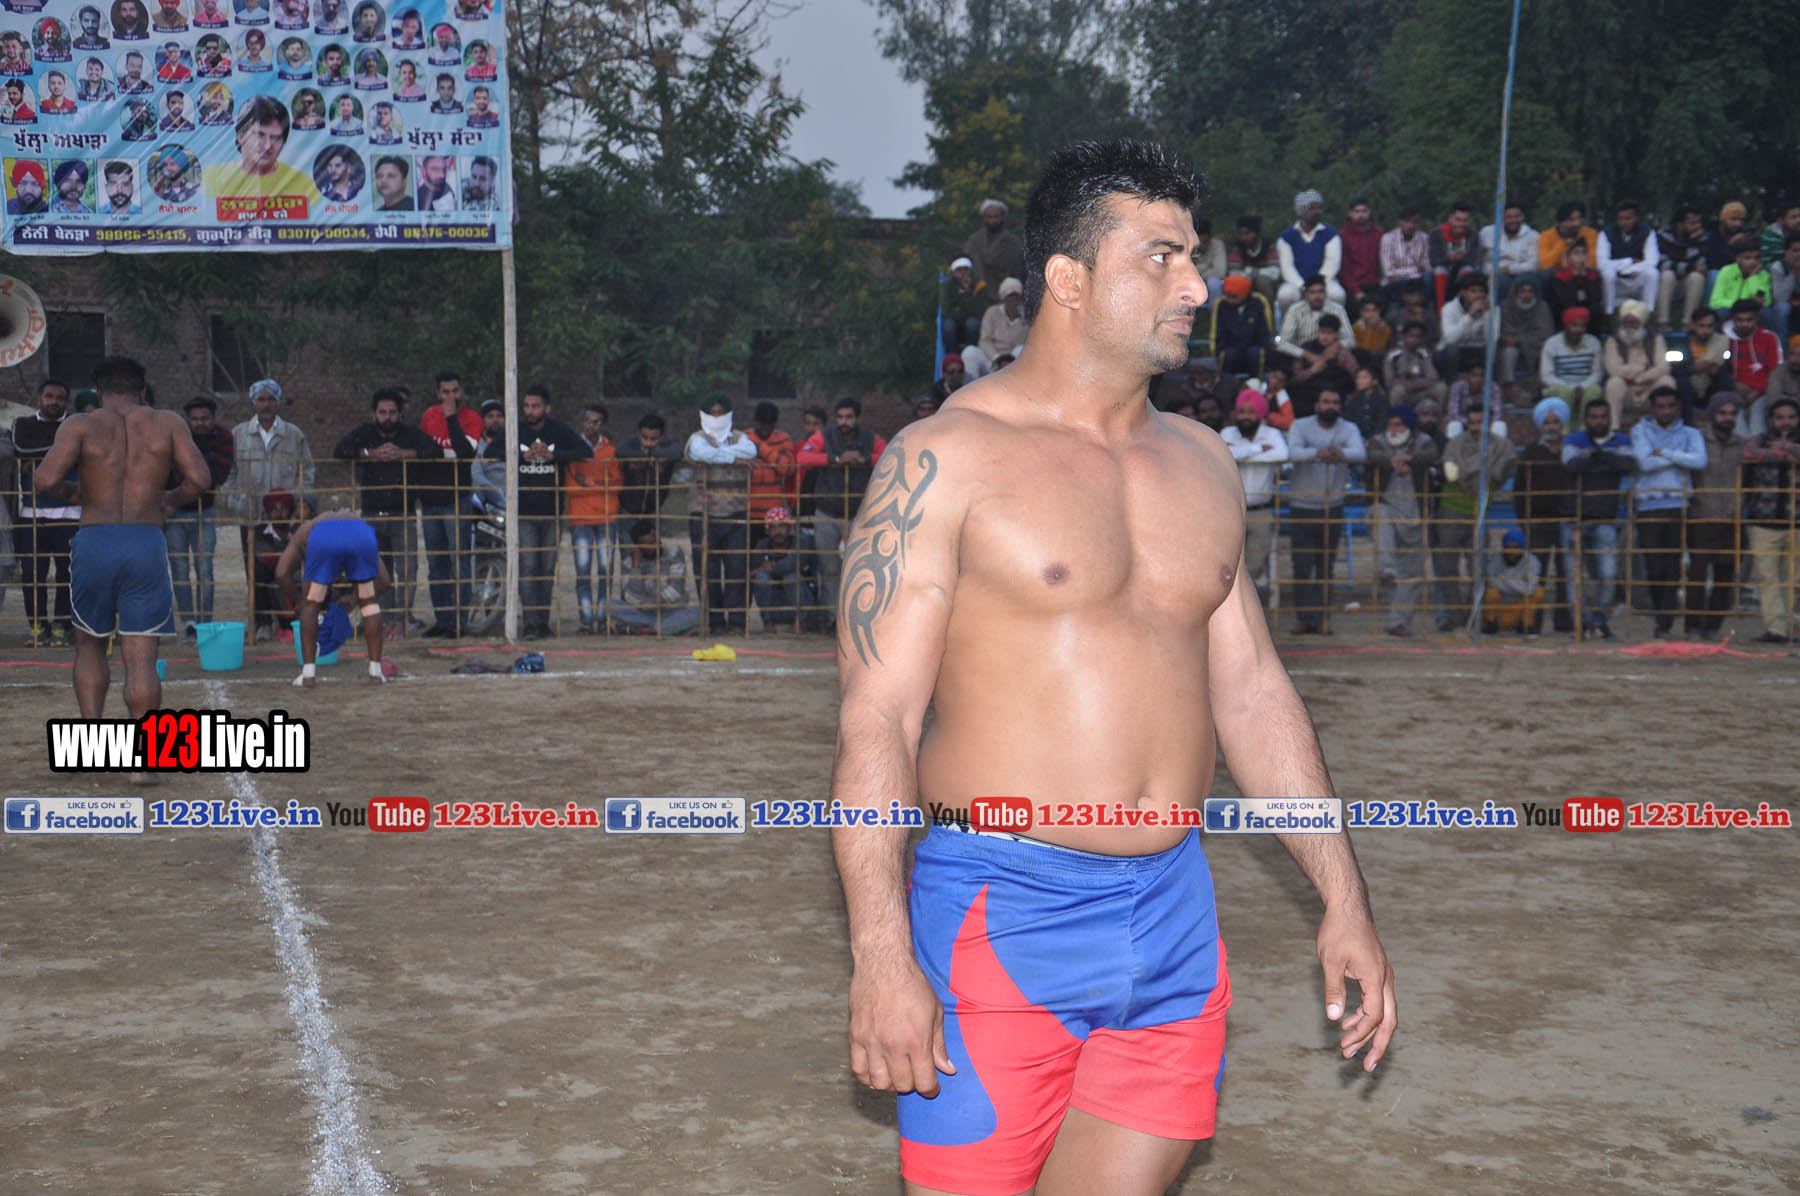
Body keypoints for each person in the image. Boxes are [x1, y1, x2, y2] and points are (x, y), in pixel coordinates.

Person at [831, 141, 1395, 1196]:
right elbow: (880, 716)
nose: (1198, 287)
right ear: (1069, 279)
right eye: (1163, 257)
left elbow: (1253, 691)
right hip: (1001, 915)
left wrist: (1343, 896)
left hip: (1174, 914)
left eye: (1197, 258)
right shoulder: (943, 459)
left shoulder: (1205, 460)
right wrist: (880, 953)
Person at [32, 357, 211, 740]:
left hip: (95, 539)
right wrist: (170, 500)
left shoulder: (80, 424)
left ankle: (92, 743)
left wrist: (72, 491)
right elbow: (200, 479)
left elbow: (44, 481)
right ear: (142, 390)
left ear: (98, 392)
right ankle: (143, 755)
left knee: (88, 644)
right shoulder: (168, 423)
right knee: (142, 654)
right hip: (145, 540)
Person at [487, 383, 587, 638]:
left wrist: (554, 456)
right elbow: (491, 451)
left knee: (547, 567)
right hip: (523, 511)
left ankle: (543, 622)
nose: (530, 411)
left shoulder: (558, 429)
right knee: (528, 567)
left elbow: (584, 451)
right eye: (527, 406)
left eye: (535, 406)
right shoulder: (516, 428)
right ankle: (531, 624)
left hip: (552, 510)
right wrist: (521, 456)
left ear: (547, 408)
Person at [221, 378, 315, 640]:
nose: (266, 405)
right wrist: (236, 502)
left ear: (278, 402)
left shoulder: (293, 434)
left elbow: (307, 471)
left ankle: (289, 622)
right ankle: (262, 623)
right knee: (256, 572)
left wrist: (299, 503)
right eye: (261, 400)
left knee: (289, 569)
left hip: (286, 519)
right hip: (252, 517)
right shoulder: (239, 434)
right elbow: (228, 475)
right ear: (254, 403)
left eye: (271, 399)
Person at [335, 388, 433, 634]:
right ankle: (383, 619)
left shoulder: (410, 434)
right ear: (374, 414)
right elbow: (340, 450)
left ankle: (403, 620)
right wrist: (370, 454)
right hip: (371, 514)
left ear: (400, 414)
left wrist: (405, 454)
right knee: (377, 571)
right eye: (383, 412)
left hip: (403, 513)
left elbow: (434, 451)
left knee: (408, 569)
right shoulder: (365, 433)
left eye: (392, 412)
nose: (387, 417)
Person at [275, 510, 391, 686]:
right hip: (360, 533)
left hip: (324, 537)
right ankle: (376, 672)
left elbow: (281, 573)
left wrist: (300, 600)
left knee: (311, 604)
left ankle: (308, 676)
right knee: (369, 604)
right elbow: (384, 581)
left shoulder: (304, 533)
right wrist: (355, 599)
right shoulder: (355, 525)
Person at [1286, 387, 1366, 633]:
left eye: (1335, 402)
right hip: (1301, 506)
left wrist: (1340, 453)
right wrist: (1318, 453)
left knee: (1325, 567)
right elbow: (1292, 452)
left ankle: (1321, 619)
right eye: (1326, 401)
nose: (1330, 406)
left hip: (1332, 507)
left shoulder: (1348, 428)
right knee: (1301, 566)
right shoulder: (1300, 425)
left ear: (1340, 406)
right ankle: (1303, 618)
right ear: (1317, 405)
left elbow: (1360, 453)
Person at [1628, 386, 1705, 638]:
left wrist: (1664, 452)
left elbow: (1700, 461)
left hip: (1678, 506)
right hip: (1648, 507)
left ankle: (1664, 622)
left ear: (1678, 407)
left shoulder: (1691, 433)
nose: (1666, 411)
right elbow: (1644, 463)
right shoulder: (1639, 431)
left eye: (1670, 406)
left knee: (1672, 567)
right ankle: (1662, 615)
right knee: (1654, 567)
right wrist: (1680, 458)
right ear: (1652, 408)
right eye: (1660, 406)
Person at [12, 379, 80, 647]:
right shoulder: (22, 424)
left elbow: (80, 452)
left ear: (66, 401)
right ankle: (38, 627)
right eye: (49, 396)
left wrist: (40, 459)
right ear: (39, 399)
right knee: (32, 574)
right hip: (32, 513)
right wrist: (64, 453)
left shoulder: (76, 424)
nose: (54, 402)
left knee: (68, 573)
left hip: (71, 513)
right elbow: (21, 449)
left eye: (60, 398)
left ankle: (63, 625)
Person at [1561, 398, 1636, 639]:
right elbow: (1571, 464)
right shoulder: (1573, 439)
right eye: (1594, 417)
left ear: (1609, 418)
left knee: (1608, 574)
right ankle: (1582, 624)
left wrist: (1595, 455)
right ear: (1586, 419)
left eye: (1603, 417)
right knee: (1574, 577)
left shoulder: (1621, 441)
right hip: (1573, 518)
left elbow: (1629, 464)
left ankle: (1599, 621)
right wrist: (1605, 458)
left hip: (1605, 518)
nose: (1598, 421)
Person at [1432, 415, 1515, 632]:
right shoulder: (1456, 445)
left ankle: (1473, 617)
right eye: (1473, 422)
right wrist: (1476, 476)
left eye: (1481, 422)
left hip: (1479, 513)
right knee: (1448, 569)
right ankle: (1455, 619)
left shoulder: (1501, 447)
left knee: (1478, 569)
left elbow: (1503, 471)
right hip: (1451, 511)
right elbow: (1451, 473)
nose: (1476, 427)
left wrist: (1485, 484)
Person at [811, 395, 886, 632]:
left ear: (857, 418)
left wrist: (865, 460)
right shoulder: (824, 436)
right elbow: (802, 456)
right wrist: (835, 458)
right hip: (827, 511)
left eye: (849, 417)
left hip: (859, 514)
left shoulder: (870, 438)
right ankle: (832, 619)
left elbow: (890, 455)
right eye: (840, 417)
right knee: (829, 568)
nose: (844, 422)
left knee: (859, 569)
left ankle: (857, 620)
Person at [415, 370, 482, 636]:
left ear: (461, 391)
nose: (451, 396)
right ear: (437, 393)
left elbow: (465, 454)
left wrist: (451, 417)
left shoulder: (472, 418)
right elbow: (423, 452)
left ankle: (459, 621)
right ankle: (442, 620)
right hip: (430, 499)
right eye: (445, 392)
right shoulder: (429, 416)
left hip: (457, 499)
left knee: (459, 562)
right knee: (436, 565)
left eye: (455, 391)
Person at [684, 394, 758, 634]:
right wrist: (734, 458)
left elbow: (750, 451)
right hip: (703, 514)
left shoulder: (741, 437)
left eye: (720, 412)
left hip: (737, 512)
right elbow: (700, 453)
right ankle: (714, 622)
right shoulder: (697, 438)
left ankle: (737, 622)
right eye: (712, 412)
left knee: (738, 569)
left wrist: (723, 454)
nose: (716, 416)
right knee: (708, 570)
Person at [164, 396, 234, 637]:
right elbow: (171, 475)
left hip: (205, 511)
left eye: (204, 418)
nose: (200, 423)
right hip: (175, 513)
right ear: (187, 420)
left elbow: (219, 475)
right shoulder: (176, 437)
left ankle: (205, 622)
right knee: (179, 569)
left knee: (205, 569)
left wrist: (191, 471)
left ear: (213, 418)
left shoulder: (224, 437)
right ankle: (188, 622)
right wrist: (202, 465)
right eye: (194, 419)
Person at [1684, 393, 1745, 641]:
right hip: (1701, 516)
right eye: (1722, 413)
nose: (1727, 418)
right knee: (1697, 575)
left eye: (1732, 414)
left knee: (1725, 576)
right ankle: (1692, 626)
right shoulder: (1698, 440)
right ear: (1712, 415)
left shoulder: (1742, 444)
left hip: (1732, 518)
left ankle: (1713, 626)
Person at [1740, 396, 1800, 643]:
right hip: (1763, 522)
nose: (1786, 422)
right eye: (1780, 418)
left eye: (1791, 417)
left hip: (1797, 522)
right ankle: (1776, 629)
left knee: (1793, 580)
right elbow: (1748, 453)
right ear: (1770, 420)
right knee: (1767, 578)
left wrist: (1782, 449)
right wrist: (1787, 453)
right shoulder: (1758, 440)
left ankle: (1788, 628)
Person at [1218, 388, 1287, 603]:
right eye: (1242, 412)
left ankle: (1244, 604)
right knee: (1227, 562)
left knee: (1255, 563)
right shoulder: (1227, 433)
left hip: (1260, 511)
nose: (1246, 416)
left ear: (1260, 414)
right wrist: (1257, 449)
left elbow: (1282, 454)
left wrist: (1240, 453)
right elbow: (1223, 454)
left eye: (1251, 412)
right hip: (1231, 511)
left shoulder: (1272, 434)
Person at [1515, 398, 1574, 633]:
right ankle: (1532, 623)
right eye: (1547, 423)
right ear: (1541, 425)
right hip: (1538, 522)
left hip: (1567, 520)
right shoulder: (1531, 452)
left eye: (1555, 422)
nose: (1551, 427)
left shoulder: (1571, 449)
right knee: (1536, 573)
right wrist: (1524, 521)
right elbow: (1520, 489)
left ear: (1562, 423)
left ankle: (1564, 622)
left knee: (1566, 572)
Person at [565, 402, 623, 634]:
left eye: (596, 422)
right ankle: (587, 620)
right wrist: (601, 485)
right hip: (580, 518)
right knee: (583, 572)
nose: (590, 425)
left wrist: (589, 483)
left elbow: (617, 485)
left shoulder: (611, 451)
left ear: (603, 424)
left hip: (607, 517)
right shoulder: (573, 449)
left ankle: (603, 618)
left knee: (605, 571)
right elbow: (571, 488)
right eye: (587, 421)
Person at [204, 95, 323, 207]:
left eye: (276, 138)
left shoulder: (305, 185)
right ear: (241, 136)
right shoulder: (211, 180)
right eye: (259, 135)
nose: (267, 146)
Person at [604, 519, 697, 635]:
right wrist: (636, 567)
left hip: (672, 610)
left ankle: (640, 630)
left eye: (656, 541)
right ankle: (665, 628)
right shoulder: (628, 563)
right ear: (638, 547)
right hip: (644, 614)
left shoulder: (674, 552)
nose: (655, 546)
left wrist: (647, 604)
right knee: (609, 605)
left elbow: (676, 590)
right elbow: (629, 598)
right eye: (649, 544)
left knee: (697, 612)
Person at [1601, 300, 1672, 431]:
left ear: (1642, 323)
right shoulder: (1613, 340)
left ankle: (1664, 426)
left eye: (1633, 323)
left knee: (1666, 381)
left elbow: (1664, 367)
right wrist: (1643, 367)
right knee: (1614, 383)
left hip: (1649, 389)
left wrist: (1640, 378)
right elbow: (1613, 369)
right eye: (1626, 323)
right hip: (1627, 390)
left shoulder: (1656, 339)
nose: (1629, 327)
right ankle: (1613, 428)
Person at [1276, 188, 1343, 307]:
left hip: (1325, 281)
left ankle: (1333, 320)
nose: (1317, 212)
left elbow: (1332, 265)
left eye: (1319, 208)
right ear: (1301, 211)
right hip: (1296, 283)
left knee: (1337, 295)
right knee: (1285, 295)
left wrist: (1317, 287)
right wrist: (1303, 287)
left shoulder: (1331, 234)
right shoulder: (1287, 237)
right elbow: (1287, 268)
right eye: (1312, 208)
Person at [1287, 312, 1357, 419]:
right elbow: (1294, 378)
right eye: (1322, 332)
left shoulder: (1343, 354)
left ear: (1337, 335)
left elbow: (1356, 376)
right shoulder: (1306, 349)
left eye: (1329, 333)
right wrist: (1312, 371)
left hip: (1333, 399)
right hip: (1306, 397)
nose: (1325, 337)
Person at [616, 411, 681, 525]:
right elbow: (620, 451)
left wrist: (653, 454)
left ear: (661, 436)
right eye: (644, 437)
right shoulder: (631, 443)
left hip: (654, 512)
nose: (648, 443)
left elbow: (678, 453)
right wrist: (647, 457)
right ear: (638, 434)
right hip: (627, 512)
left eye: (653, 439)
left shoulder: (668, 445)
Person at [1597, 199, 1659, 314]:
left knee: (1652, 273)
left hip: (1636, 279)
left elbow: (1652, 261)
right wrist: (1629, 261)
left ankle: (1649, 312)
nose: (1623, 222)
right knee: (1607, 274)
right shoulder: (1606, 234)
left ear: (1636, 218)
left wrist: (1629, 269)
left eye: (1628, 218)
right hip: (1617, 280)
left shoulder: (1647, 232)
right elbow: (1602, 264)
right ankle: (1608, 314)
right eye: (1620, 219)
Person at [1670, 306, 1731, 421]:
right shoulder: (1680, 344)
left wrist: (1694, 366)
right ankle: (1687, 423)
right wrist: (1695, 367)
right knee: (1682, 382)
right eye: (1701, 326)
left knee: (1725, 379)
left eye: (1709, 326)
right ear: (1693, 325)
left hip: (1711, 384)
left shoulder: (1722, 341)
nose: (1706, 330)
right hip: (1688, 385)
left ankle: (1722, 421)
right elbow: (1675, 368)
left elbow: (1718, 367)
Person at [749, 505, 804, 630]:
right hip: (774, 605)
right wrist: (762, 570)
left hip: (799, 605)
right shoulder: (762, 545)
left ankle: (801, 622)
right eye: (773, 527)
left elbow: (793, 563)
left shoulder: (800, 542)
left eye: (781, 526)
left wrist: (772, 567)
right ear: (767, 531)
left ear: (789, 528)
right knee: (761, 578)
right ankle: (768, 622)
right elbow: (752, 572)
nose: (778, 531)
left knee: (791, 577)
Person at [1540, 306, 1603, 412]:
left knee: (1595, 391)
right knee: (1564, 392)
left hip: (1585, 386)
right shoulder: (1551, 343)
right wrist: (1570, 388)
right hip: (1559, 386)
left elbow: (1597, 373)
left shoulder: (1594, 343)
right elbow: (1546, 376)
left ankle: (1584, 422)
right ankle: (1565, 423)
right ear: (1566, 325)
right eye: (1574, 325)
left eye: (1582, 326)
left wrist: (1582, 387)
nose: (1579, 330)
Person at [1275, 275, 1350, 364]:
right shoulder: (1294, 310)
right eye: (1312, 292)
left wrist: (1336, 347)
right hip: (1302, 356)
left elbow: (1350, 340)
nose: (1317, 296)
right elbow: (1282, 343)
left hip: (1331, 357)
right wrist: (1307, 355)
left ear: (1326, 293)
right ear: (1305, 295)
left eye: (1320, 291)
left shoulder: (1337, 309)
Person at [1479, 530, 1542, 635]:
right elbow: (1491, 582)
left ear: (1522, 548)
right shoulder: (1495, 559)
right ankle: (1491, 625)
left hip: (1520, 609)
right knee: (1491, 592)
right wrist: (1520, 583)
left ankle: (1526, 626)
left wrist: (1503, 579)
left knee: (1538, 592)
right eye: (1509, 547)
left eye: (1516, 547)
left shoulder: (1532, 561)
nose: (1512, 551)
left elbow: (1530, 589)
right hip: (1500, 610)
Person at [962, 198, 1025, 300]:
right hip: (978, 296)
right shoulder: (974, 241)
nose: (993, 221)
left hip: (1007, 296)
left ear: (1003, 217)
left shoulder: (1013, 242)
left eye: (996, 217)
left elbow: (1019, 270)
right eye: (989, 217)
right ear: (984, 218)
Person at [1656, 206, 1708, 328]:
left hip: (1685, 283)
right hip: (1664, 283)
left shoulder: (1701, 239)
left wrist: (1691, 242)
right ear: (1680, 225)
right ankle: (1662, 322)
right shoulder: (1663, 236)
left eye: (1698, 222)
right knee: (1667, 275)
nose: (1697, 226)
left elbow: (1700, 265)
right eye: (1692, 223)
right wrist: (1690, 267)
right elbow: (1663, 264)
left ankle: (1688, 323)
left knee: (1697, 277)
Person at [1724, 298, 1780, 404]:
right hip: (1731, 390)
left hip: (1763, 392)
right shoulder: (1724, 337)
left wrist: (1758, 391)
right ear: (1733, 319)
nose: (1744, 324)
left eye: (1749, 320)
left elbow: (1775, 371)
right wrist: (1733, 384)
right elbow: (1721, 369)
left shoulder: (1769, 337)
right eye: (1739, 320)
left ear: (1757, 319)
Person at [1429, 198, 1484, 306]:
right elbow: (1434, 260)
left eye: (1465, 220)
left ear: (1469, 221)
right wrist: (1449, 258)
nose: (1461, 224)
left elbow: (1474, 260)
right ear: (1450, 219)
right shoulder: (1436, 234)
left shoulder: (1473, 235)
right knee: (1439, 270)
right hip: (1444, 268)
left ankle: (1465, 306)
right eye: (1458, 220)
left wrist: (1461, 259)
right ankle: (1440, 309)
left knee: (1468, 270)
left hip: (1463, 269)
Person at [1211, 273, 1269, 376]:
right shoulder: (1221, 305)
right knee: (1229, 354)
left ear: (1244, 295)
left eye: (1234, 297)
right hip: (1231, 349)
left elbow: (1264, 332)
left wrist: (1263, 349)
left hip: (1252, 348)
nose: (1229, 300)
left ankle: (1256, 383)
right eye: (1227, 295)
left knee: (1255, 353)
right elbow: (1218, 332)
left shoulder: (1258, 303)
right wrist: (1218, 350)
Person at [1498, 277, 1553, 385]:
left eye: (1530, 291)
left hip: (1536, 345)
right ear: (1516, 293)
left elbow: (1545, 334)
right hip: (1513, 345)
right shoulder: (1506, 306)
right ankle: (1508, 384)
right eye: (1522, 291)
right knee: (1508, 351)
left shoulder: (1542, 307)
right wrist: (1520, 339)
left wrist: (1518, 340)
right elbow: (1506, 333)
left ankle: (1540, 386)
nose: (1526, 295)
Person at [1480, 201, 1538, 301]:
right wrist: (1491, 271)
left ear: (1523, 217)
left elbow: (1534, 264)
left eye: (1517, 216)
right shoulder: (1487, 232)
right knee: (1499, 282)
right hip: (1491, 274)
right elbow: (1479, 257)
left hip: (1521, 274)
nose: (1513, 220)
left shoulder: (1533, 236)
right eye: (1509, 217)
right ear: (1502, 218)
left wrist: (1509, 269)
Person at [1378, 203, 1431, 308]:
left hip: (1418, 284)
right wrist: (1415, 271)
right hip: (1396, 284)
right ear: (1400, 222)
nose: (1411, 226)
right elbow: (1389, 273)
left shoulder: (1425, 238)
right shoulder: (1388, 239)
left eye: (1414, 222)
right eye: (1407, 222)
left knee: (1429, 279)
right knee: (1403, 288)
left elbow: (1427, 268)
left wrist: (1405, 273)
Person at [1384, 319, 1446, 408]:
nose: (1415, 340)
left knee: (1441, 388)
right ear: (1403, 336)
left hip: (1422, 391)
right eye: (1411, 336)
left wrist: (1413, 384)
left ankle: (1438, 415)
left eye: (1418, 337)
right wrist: (1411, 385)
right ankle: (1398, 416)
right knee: (1397, 391)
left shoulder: (1424, 353)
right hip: (1405, 392)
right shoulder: (1393, 354)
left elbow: (1433, 377)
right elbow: (1389, 381)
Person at [1227, 213, 1281, 306]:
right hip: (1243, 281)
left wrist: (1250, 271)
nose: (1244, 237)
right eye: (1241, 234)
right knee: (1239, 283)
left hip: (1268, 283)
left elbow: (1275, 272)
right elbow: (1234, 273)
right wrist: (1251, 276)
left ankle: (1268, 312)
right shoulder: (1236, 246)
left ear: (1256, 232)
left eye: (1248, 233)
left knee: (1262, 281)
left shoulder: (1269, 244)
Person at [938, 257, 986, 356]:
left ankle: (970, 354)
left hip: (970, 322)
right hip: (954, 321)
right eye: (959, 270)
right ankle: (953, 356)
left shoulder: (978, 285)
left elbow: (977, 310)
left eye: (966, 269)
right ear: (953, 273)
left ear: (970, 271)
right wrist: (964, 314)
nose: (963, 273)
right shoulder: (947, 285)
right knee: (948, 325)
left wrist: (967, 291)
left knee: (972, 323)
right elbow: (946, 311)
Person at [977, 277, 1028, 364]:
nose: (1013, 300)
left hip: (1014, 361)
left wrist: (1019, 317)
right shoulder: (992, 312)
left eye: (1016, 296)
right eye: (1010, 296)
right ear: (1004, 298)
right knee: (970, 352)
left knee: (1021, 349)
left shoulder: (1026, 317)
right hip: (993, 358)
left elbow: (1026, 343)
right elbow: (984, 341)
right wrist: (997, 358)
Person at [1537, 201, 1598, 272]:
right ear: (1561, 222)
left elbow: (1592, 263)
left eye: (1579, 218)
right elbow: (1545, 265)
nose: (1577, 223)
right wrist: (1563, 243)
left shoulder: (1590, 234)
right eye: (1571, 220)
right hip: (1556, 274)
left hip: (1583, 273)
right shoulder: (1546, 236)